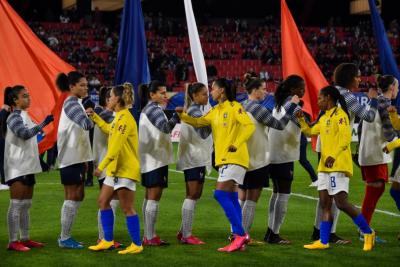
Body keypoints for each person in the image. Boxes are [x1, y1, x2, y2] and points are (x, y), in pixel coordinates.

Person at [176, 78, 255, 252]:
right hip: (224, 159)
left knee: (220, 194)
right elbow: (199, 122)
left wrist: (237, 142)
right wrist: (182, 116)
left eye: (213, 89)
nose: (211, 92)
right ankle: (240, 237)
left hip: (234, 157)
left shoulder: (235, 107)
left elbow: (249, 126)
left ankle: (240, 234)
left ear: (222, 91)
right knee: (232, 197)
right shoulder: (216, 110)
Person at [299, 85, 375, 251]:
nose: (318, 101)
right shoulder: (324, 117)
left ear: (328, 98)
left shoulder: (341, 116)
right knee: (325, 204)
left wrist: (333, 155)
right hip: (325, 167)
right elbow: (309, 131)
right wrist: (300, 119)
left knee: (341, 203)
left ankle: (368, 232)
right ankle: (324, 241)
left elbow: (345, 138)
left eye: (320, 98)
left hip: (338, 165)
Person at [311, 63, 378, 244]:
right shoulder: (347, 96)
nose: (360, 79)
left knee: (325, 195)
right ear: (349, 77)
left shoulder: (330, 91)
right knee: (338, 198)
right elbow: (369, 117)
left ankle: (319, 233)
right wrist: (373, 100)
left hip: (324, 148)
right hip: (337, 151)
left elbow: (319, 120)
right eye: (357, 76)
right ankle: (334, 234)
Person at [239, 77, 299, 239]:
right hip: (257, 158)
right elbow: (279, 125)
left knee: (243, 197)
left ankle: (236, 233)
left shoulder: (242, 105)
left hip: (243, 157)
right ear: (256, 90)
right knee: (252, 198)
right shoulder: (257, 108)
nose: (266, 92)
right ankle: (242, 236)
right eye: (263, 89)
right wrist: (293, 105)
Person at [88, 84, 143, 254]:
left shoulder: (125, 118)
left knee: (127, 208)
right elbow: (109, 129)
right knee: (103, 202)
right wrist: (95, 118)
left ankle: (136, 244)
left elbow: (115, 149)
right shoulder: (119, 117)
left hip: (125, 170)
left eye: (111, 96)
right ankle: (107, 240)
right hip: (115, 171)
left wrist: (100, 167)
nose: (109, 99)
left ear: (118, 99)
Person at [2, 85, 53, 251]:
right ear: (15, 100)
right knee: (16, 204)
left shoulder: (25, 115)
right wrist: (44, 123)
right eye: (24, 96)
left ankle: (24, 238)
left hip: (28, 165)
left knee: (26, 204)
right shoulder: (13, 117)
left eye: (28, 95)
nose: (28, 98)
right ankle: (12, 241)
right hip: (16, 166)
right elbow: (24, 134)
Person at [139, 81, 179, 246]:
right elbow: (165, 128)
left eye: (165, 92)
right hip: (155, 159)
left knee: (149, 196)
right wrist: (176, 117)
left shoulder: (148, 109)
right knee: (154, 197)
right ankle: (150, 236)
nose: (165, 96)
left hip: (149, 158)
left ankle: (148, 235)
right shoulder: (154, 110)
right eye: (162, 93)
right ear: (152, 94)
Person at [265, 75, 304, 244]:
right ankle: (275, 234)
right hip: (284, 154)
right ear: (293, 89)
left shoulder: (279, 103)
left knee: (276, 192)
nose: (303, 90)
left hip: (273, 153)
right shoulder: (293, 104)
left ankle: (270, 231)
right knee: (284, 194)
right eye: (301, 87)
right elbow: (303, 123)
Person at [358, 75, 398, 242]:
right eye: (397, 86)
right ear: (391, 88)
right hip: (376, 154)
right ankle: (364, 231)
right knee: (375, 190)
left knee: (377, 189)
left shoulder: (375, 102)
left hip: (369, 153)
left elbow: (360, 127)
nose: (398, 90)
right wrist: (396, 141)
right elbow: (389, 134)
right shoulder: (385, 104)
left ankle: (364, 228)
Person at [56, 71, 94, 249]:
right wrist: (92, 115)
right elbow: (85, 124)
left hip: (76, 156)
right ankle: (64, 238)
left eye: (86, 85)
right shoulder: (72, 104)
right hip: (70, 156)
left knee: (78, 195)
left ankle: (66, 235)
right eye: (82, 85)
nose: (86, 88)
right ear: (72, 87)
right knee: (72, 196)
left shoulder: (76, 103)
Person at [176, 82, 212, 245]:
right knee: (193, 194)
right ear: (195, 96)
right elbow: (204, 133)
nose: (207, 96)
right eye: (204, 94)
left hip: (194, 156)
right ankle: (186, 235)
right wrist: (215, 121)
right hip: (193, 157)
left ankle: (183, 231)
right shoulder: (195, 111)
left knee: (194, 194)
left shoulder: (195, 109)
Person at [91, 86, 122, 247]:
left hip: (106, 163)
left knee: (112, 200)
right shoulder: (105, 114)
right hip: (105, 164)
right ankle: (103, 237)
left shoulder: (105, 114)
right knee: (107, 201)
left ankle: (105, 237)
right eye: (113, 97)